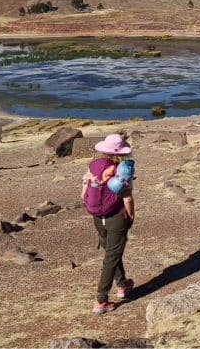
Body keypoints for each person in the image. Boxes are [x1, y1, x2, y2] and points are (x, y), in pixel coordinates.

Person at [82, 133, 135, 314]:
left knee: (112, 252)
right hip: (116, 217)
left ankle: (122, 284)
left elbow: (83, 192)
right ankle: (101, 299)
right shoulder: (122, 170)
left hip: (98, 217)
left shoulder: (93, 166)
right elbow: (127, 197)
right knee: (112, 256)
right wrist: (131, 215)